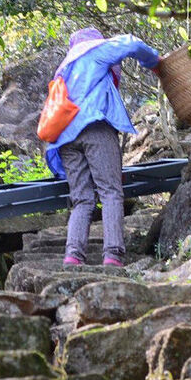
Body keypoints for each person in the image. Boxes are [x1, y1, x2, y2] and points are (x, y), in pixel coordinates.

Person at [45, 27, 160, 268]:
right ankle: (113, 255)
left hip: (65, 139)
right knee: (110, 192)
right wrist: (155, 63)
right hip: (95, 128)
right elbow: (131, 42)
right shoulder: (94, 52)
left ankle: (73, 256)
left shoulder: (65, 67)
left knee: (82, 199)